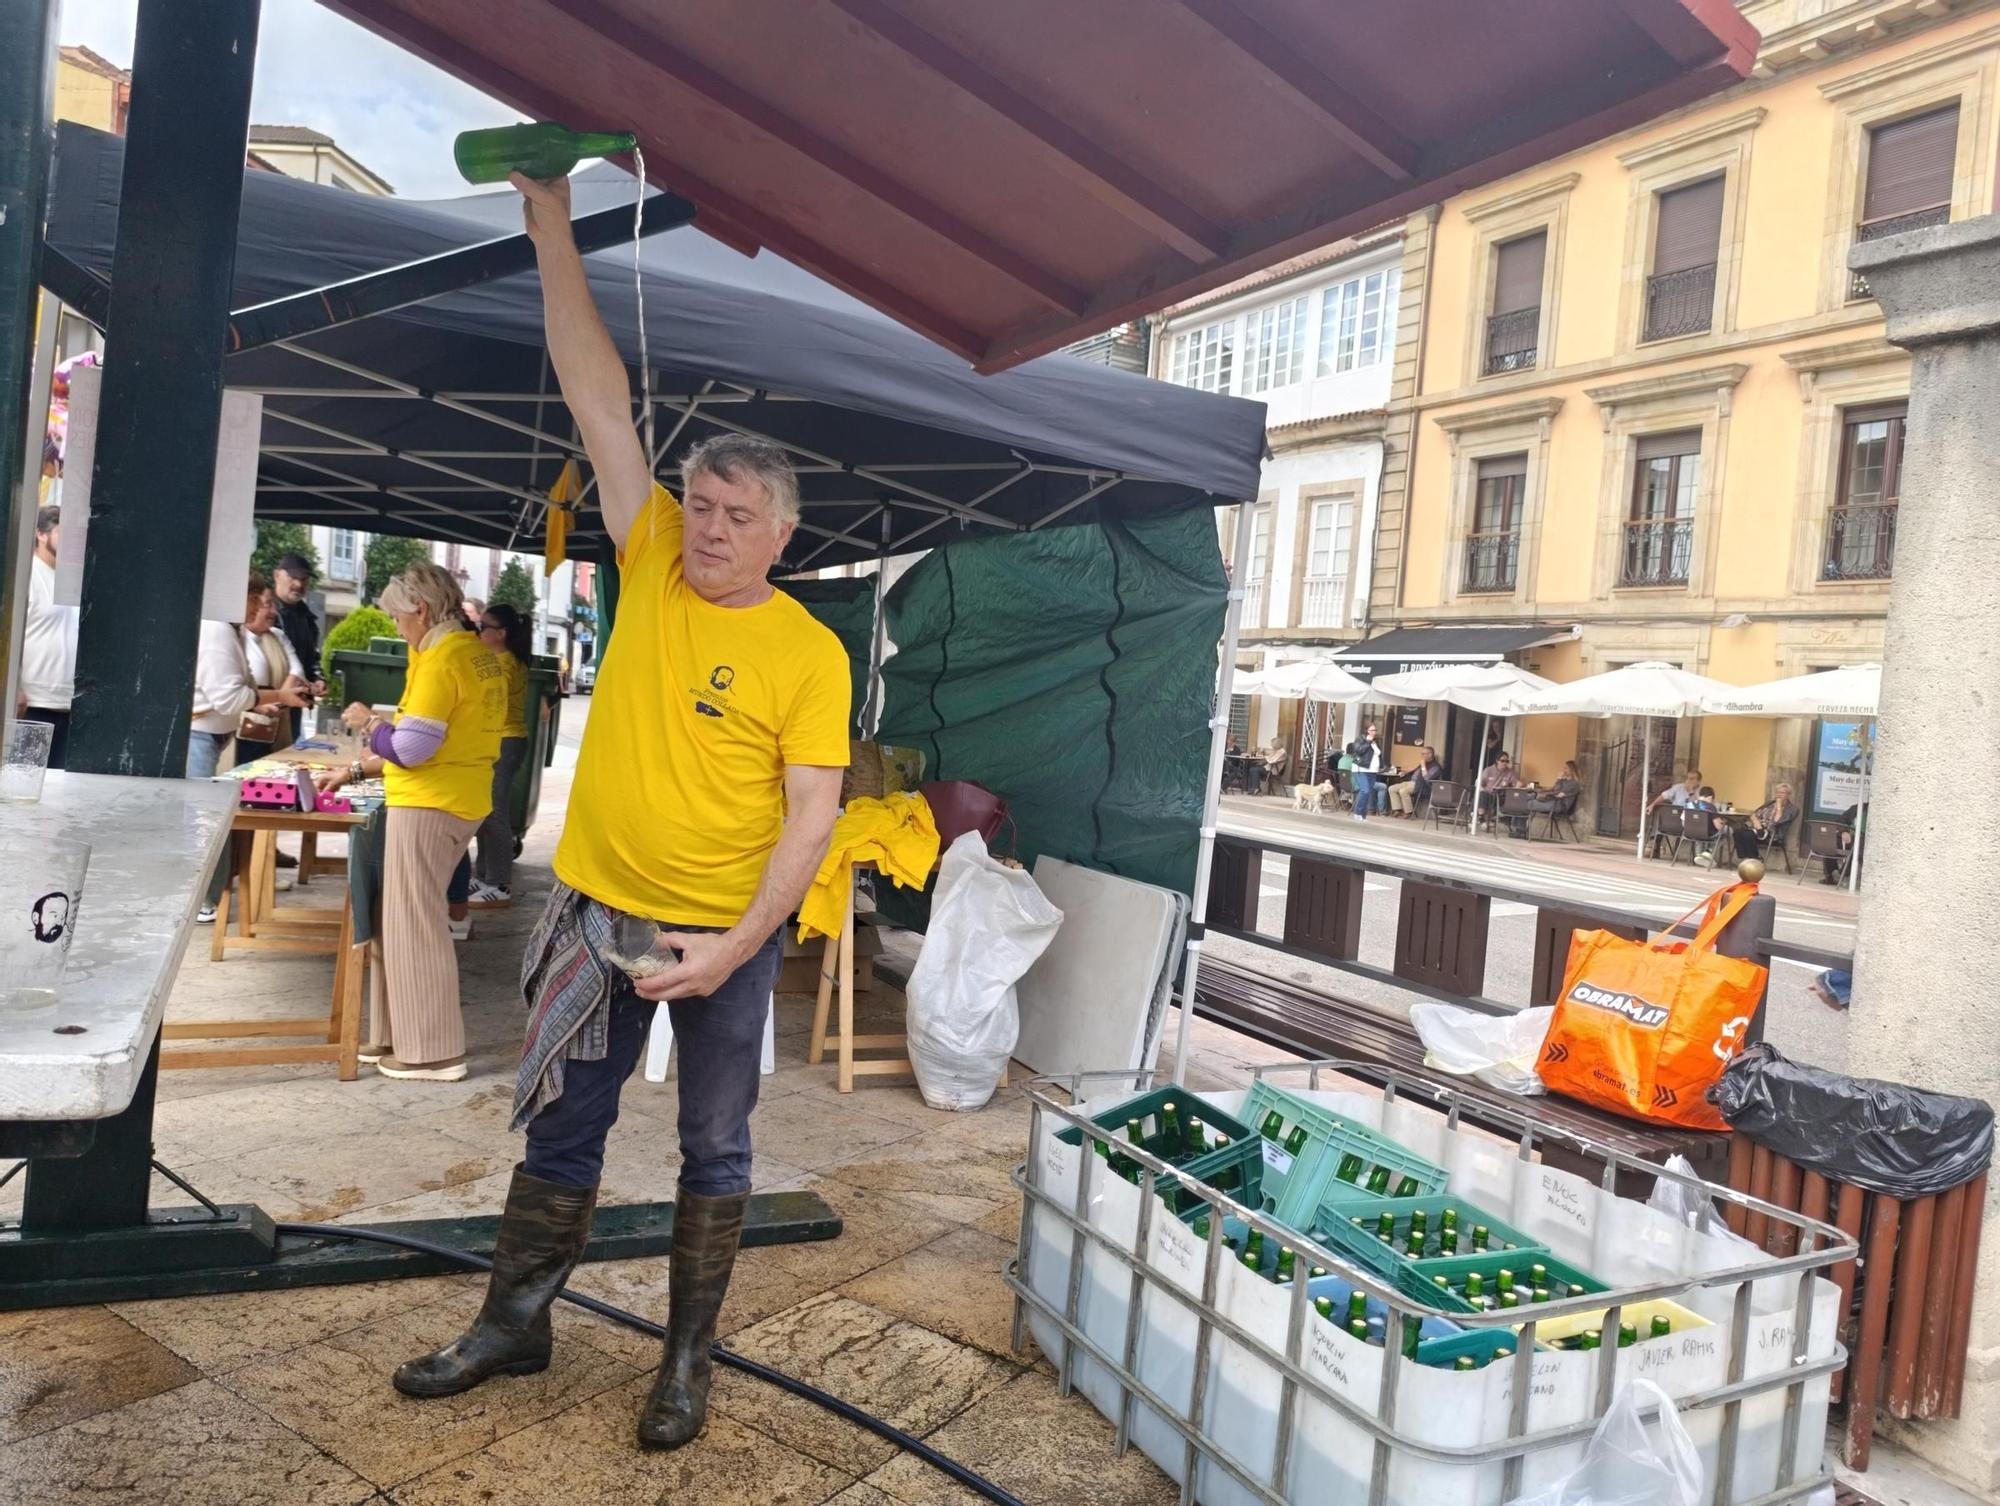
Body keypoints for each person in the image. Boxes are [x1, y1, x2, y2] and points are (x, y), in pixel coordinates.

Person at [391, 169, 850, 1453]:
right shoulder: (646, 557)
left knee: (715, 1146)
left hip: (723, 934)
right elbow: (597, 391)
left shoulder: (810, 653)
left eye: (737, 516)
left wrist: (737, 948)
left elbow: (811, 820)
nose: (708, 528)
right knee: (564, 1125)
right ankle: (514, 1324)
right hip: (599, 911)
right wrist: (549, 223)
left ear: (781, 535)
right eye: (699, 505)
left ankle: (686, 1363)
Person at [313, 561, 506, 1083]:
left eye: (398, 618)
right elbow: (439, 739)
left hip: (430, 803)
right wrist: (358, 768)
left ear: (420, 609)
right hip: (455, 797)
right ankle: (395, 1035)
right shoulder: (472, 654)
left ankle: (432, 1052)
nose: (397, 629)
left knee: (414, 925)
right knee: (399, 919)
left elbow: (412, 748)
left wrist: (368, 724)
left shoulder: (443, 659)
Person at [190, 573, 310, 923]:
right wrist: (277, 695)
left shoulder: (232, 630)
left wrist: (264, 698)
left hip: (214, 735)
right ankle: (204, 901)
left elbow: (243, 688)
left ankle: (210, 896)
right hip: (200, 736)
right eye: (254, 599)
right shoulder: (217, 630)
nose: (259, 607)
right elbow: (230, 698)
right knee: (205, 823)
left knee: (210, 820)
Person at [468, 603, 534, 905]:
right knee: (485, 810)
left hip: (506, 742)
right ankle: (484, 876)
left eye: (484, 628)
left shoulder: (507, 665)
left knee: (494, 811)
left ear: (501, 633)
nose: (479, 633)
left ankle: (498, 883)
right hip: (495, 741)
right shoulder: (497, 660)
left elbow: (488, 700)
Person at [17, 505, 78, 768]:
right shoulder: (26, 576)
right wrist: (15, 689)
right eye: (63, 533)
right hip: (32, 706)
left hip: (71, 706)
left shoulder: (75, 579)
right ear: (41, 534)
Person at [238, 580, 308, 758]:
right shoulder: (236, 636)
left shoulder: (278, 635)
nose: (274, 612)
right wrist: (259, 704)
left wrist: (280, 699)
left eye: (274, 605)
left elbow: (297, 669)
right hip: (243, 726)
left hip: (276, 719)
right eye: (268, 604)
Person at [271, 554, 327, 741]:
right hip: (265, 701)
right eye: (293, 577)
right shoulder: (265, 613)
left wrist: (318, 679)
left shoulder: (307, 618)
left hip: (294, 703)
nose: (299, 584)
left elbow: (312, 658)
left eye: (304, 579)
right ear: (277, 575)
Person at [1733, 782, 1795, 864]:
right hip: (1757, 828)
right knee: (1737, 832)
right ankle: (1745, 858)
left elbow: (1777, 821)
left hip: (1772, 833)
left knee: (1748, 835)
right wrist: (1756, 821)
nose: (1779, 795)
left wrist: (1779, 806)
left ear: (1788, 794)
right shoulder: (1770, 803)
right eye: (1777, 792)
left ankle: (1755, 859)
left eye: (1782, 793)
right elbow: (1755, 813)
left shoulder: (1792, 809)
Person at [1348, 721, 1390, 821]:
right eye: (1372, 730)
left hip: (1372, 771)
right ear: (1366, 731)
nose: (1374, 732)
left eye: (1375, 730)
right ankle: (1357, 812)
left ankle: (1363, 815)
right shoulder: (1360, 739)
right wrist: (1368, 742)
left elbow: (1378, 754)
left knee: (1369, 792)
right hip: (1360, 769)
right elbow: (1359, 751)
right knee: (1365, 790)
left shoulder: (1376, 741)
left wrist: (1382, 766)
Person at [1389, 745, 1444, 817]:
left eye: (1423, 754)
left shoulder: (1436, 767)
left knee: (1403, 791)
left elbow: (1427, 778)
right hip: (1411, 782)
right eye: (1421, 754)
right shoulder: (1423, 763)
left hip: (1422, 786)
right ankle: (1397, 810)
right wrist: (1405, 773)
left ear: (1430, 754)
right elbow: (1414, 771)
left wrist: (1423, 765)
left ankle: (1409, 812)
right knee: (1391, 788)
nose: (1422, 756)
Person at [1480, 751, 1523, 833]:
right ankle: (1481, 818)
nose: (1505, 763)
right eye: (1502, 761)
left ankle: (1488, 820)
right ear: (1497, 761)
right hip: (1488, 793)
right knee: (1482, 794)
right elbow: (1480, 783)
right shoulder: (1488, 770)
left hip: (1501, 796)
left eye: (1507, 761)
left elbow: (1516, 783)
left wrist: (1519, 784)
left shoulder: (1510, 772)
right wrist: (1482, 788)